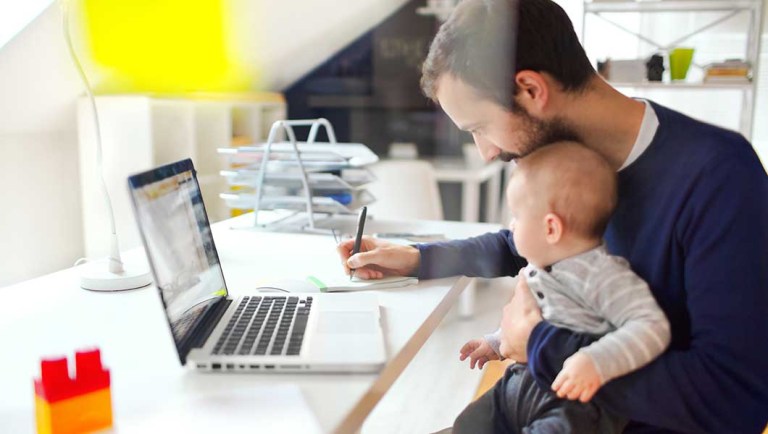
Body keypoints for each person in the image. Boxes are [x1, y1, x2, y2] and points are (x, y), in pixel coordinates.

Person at [337, 0, 768, 432]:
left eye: (480, 127)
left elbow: (735, 400)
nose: (486, 151)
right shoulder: (576, 164)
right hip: (534, 402)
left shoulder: (720, 178)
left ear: (530, 89)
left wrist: (538, 343)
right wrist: (417, 258)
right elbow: (519, 244)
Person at [454, 141, 670, 433]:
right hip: (520, 384)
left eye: (517, 216)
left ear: (551, 228)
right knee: (469, 424)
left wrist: (596, 361)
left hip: (573, 401)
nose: (512, 227)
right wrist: (495, 342)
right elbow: (529, 321)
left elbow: (652, 326)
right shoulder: (539, 264)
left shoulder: (603, 275)